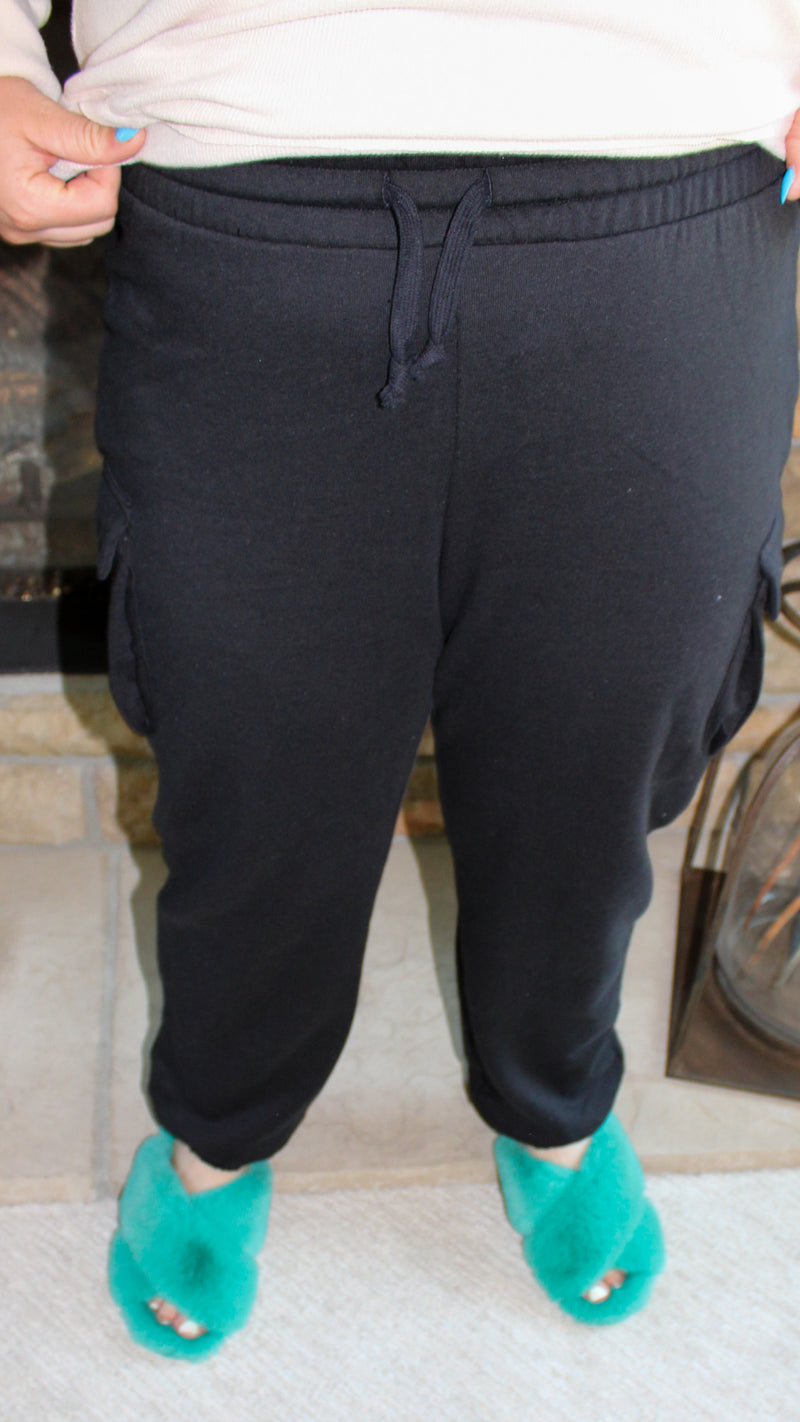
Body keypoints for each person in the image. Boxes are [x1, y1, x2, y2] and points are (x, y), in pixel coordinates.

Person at [2, 0, 799, 1359]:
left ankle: (555, 1105)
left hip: (673, 201)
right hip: (242, 214)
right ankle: (218, 1126)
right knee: (252, 791)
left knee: (593, 781)